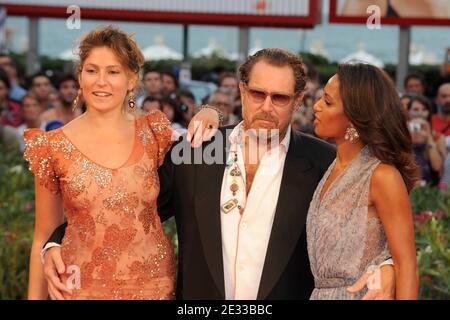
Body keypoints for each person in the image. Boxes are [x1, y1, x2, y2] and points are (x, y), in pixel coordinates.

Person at [43, 48, 396, 300]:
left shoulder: (323, 162)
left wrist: (388, 265)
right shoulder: (196, 151)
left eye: (280, 98)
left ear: (299, 98)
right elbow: (131, 208)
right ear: (242, 89)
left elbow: (365, 231)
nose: (266, 107)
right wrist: (56, 240)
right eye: (257, 94)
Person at [24, 26, 214, 300]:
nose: (101, 81)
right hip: (80, 288)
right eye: (92, 70)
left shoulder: (155, 134)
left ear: (131, 79)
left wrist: (211, 112)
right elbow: (43, 236)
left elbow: (212, 150)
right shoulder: (52, 146)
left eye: (113, 72)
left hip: (154, 286)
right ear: (80, 76)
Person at [309, 63, 419, 299]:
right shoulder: (330, 167)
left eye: (328, 102)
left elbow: (407, 265)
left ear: (354, 116)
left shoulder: (382, 176)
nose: (316, 107)